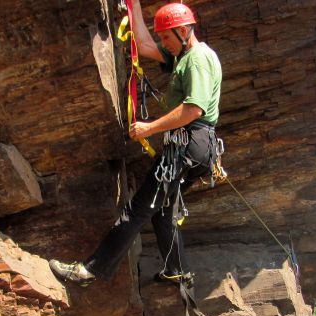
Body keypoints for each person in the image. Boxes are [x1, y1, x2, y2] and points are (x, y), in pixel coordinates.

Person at [49, 1, 222, 289]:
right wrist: (134, 5)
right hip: (194, 148)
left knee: (140, 208)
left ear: (182, 30)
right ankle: (176, 269)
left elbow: (194, 109)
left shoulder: (198, 58)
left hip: (187, 145)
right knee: (164, 209)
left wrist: (149, 128)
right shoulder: (182, 55)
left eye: (166, 36)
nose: (163, 43)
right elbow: (143, 45)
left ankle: (89, 271)